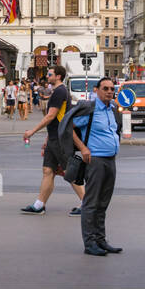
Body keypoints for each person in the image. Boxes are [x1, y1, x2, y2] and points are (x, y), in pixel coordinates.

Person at [63, 77, 123, 256]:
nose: (109, 92)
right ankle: (90, 244)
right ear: (96, 90)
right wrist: (83, 148)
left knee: (103, 203)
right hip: (95, 160)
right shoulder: (89, 109)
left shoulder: (112, 109)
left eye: (112, 89)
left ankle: (101, 240)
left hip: (111, 160)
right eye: (105, 88)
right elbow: (68, 127)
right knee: (91, 203)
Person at [20, 64, 85, 216]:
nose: (47, 77)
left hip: (61, 138)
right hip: (54, 137)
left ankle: (86, 203)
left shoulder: (59, 92)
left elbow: (51, 116)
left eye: (50, 74)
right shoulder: (59, 91)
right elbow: (57, 119)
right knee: (48, 171)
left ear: (58, 76)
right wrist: (48, 138)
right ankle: (39, 205)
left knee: (69, 172)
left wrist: (32, 131)